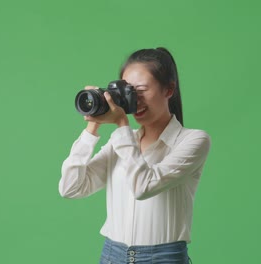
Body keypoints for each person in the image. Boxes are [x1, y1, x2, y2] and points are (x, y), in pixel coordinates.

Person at [59, 47, 211, 263]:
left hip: (164, 258)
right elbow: (71, 188)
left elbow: (143, 187)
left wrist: (121, 124)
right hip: (112, 255)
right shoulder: (120, 141)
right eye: (127, 92)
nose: (134, 100)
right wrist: (92, 127)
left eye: (141, 90)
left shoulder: (193, 140)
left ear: (169, 90)